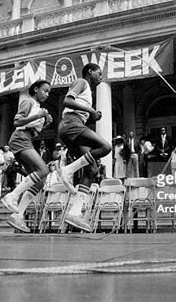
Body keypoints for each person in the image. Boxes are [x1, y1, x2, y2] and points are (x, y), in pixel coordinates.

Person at [56, 62, 112, 232]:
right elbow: (67, 101)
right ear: (90, 72)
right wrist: (90, 109)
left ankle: (74, 212)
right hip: (71, 123)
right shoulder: (82, 82)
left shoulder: (88, 90)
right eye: (99, 73)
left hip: (74, 124)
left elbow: (82, 111)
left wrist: (93, 115)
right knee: (105, 147)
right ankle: (68, 170)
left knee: (92, 170)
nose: (101, 78)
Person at [1, 80, 53, 233]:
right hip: (20, 138)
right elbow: (17, 122)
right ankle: (12, 196)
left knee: (39, 183)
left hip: (28, 138)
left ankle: (18, 215)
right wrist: (39, 115)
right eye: (45, 90)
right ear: (36, 89)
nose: (47, 94)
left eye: (49, 92)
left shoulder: (38, 107)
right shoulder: (28, 102)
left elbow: (34, 129)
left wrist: (45, 124)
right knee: (43, 170)